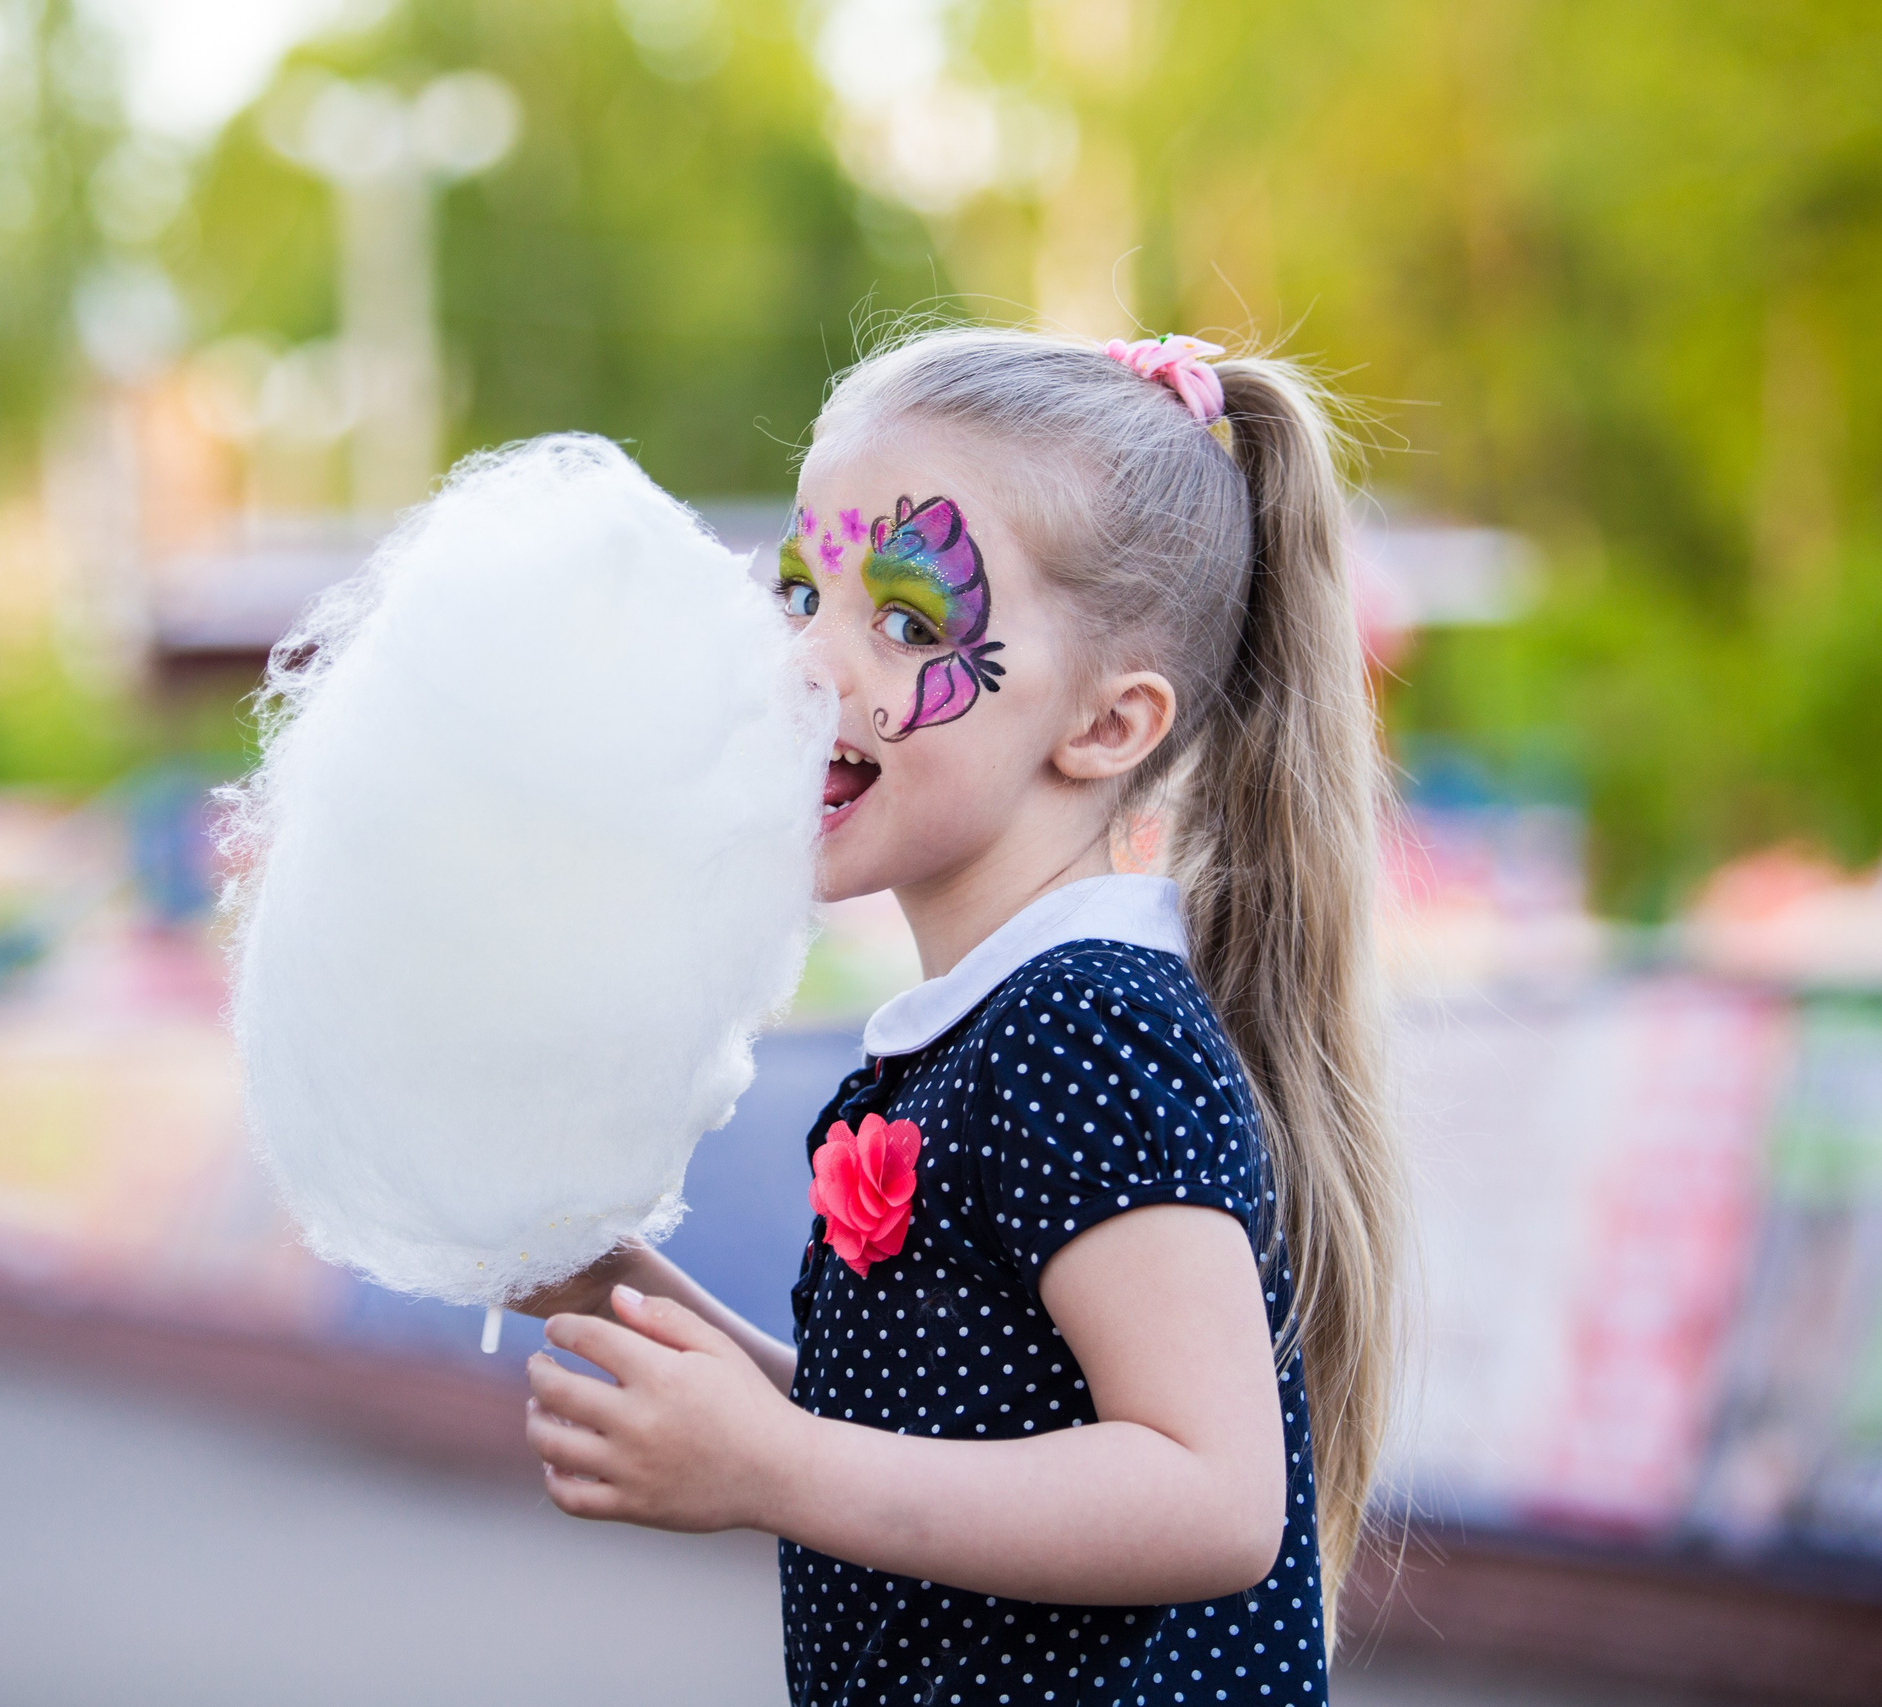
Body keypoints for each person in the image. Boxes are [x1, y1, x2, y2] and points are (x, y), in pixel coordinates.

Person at [516, 328, 1403, 1706]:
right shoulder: (979, 1032)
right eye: (802, 590)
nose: (809, 660)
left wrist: (774, 1468)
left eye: (908, 621)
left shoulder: (1087, 1030)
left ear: (1108, 727)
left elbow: (1213, 1496)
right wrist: (604, 1280)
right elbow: (936, 1422)